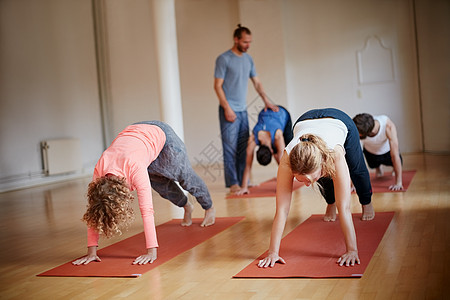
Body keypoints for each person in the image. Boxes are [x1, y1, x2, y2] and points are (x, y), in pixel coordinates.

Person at [72, 121, 215, 266]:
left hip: (162, 137)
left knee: (185, 177)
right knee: (161, 186)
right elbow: (94, 210)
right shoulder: (100, 169)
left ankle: (209, 207)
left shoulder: (135, 168)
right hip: (138, 140)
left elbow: (147, 211)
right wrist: (92, 252)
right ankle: (186, 206)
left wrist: (151, 251)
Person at [258, 108, 374, 269]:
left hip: (340, 120)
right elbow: (282, 210)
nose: (307, 184)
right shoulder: (287, 160)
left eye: (308, 180)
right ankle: (329, 203)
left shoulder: (335, 155)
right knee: (323, 179)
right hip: (304, 120)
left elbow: (345, 207)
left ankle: (367, 203)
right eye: (302, 180)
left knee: (356, 168)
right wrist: (272, 252)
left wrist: (352, 250)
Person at [214, 24, 279, 194]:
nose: (248, 45)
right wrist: (227, 108)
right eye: (245, 42)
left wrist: (266, 101)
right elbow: (217, 86)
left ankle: (245, 180)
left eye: (249, 42)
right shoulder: (223, 59)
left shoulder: (248, 60)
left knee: (244, 146)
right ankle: (233, 183)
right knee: (230, 148)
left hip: (242, 111)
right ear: (236, 40)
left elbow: (257, 82)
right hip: (228, 110)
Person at [235, 105, 293, 195]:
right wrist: (244, 187)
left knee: (289, 152)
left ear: (271, 151)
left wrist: (283, 188)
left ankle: (292, 177)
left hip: (282, 113)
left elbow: (283, 163)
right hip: (265, 113)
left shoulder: (278, 136)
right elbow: (248, 165)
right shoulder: (253, 139)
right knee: (281, 156)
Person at [353, 113, 403, 191]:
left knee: (396, 161)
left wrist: (398, 183)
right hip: (371, 152)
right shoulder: (360, 128)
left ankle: (392, 168)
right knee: (373, 165)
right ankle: (378, 167)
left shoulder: (387, 126)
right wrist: (354, 184)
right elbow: (355, 159)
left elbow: (395, 155)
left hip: (387, 151)